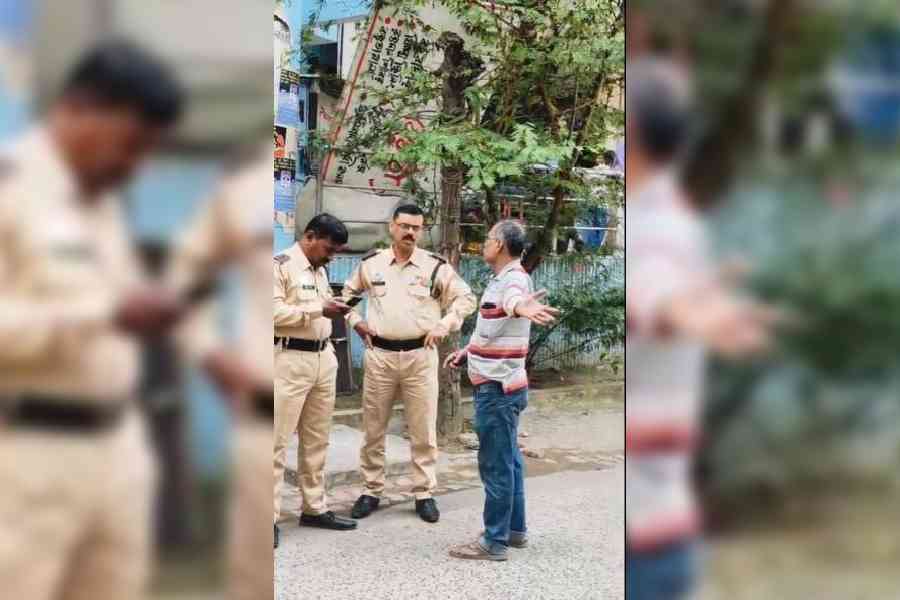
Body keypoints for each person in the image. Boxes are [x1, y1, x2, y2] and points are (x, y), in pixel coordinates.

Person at [0, 40, 184, 599]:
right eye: (131, 142)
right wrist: (104, 314)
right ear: (80, 108)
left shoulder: (103, 201)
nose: (136, 163)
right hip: (29, 456)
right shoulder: (11, 188)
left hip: (120, 450)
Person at [625, 58, 774, 599]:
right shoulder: (670, 220)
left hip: (642, 537)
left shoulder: (657, 226)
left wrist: (686, 312)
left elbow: (656, 292)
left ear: (635, 133)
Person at [166, 149, 274, 599]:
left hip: (302, 390)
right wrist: (210, 355)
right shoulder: (243, 189)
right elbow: (183, 280)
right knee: (250, 573)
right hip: (255, 414)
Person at [344, 203, 476, 523]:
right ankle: (371, 489)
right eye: (404, 226)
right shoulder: (372, 265)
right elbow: (344, 299)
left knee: (423, 428)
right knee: (373, 428)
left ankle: (423, 492)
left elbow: (466, 298)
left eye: (416, 227)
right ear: (392, 226)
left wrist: (446, 324)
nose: (410, 233)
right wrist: (355, 321)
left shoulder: (434, 267)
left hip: (420, 357)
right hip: (380, 358)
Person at [445, 220, 559, 561]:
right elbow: (495, 324)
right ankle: (514, 530)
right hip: (505, 383)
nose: (484, 243)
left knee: (496, 465)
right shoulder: (505, 278)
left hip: (497, 390)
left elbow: (512, 303)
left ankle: (493, 542)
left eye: (488, 238)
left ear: (499, 244)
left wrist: (522, 306)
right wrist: (468, 351)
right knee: (509, 460)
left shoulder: (512, 280)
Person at [274, 214, 357, 541]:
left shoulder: (320, 271)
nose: (332, 255)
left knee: (317, 439)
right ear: (309, 236)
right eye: (329, 247)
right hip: (288, 360)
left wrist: (333, 308)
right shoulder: (279, 266)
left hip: (323, 358)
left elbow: (320, 308)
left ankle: (314, 508)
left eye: (336, 250)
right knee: (276, 442)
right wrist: (317, 310)